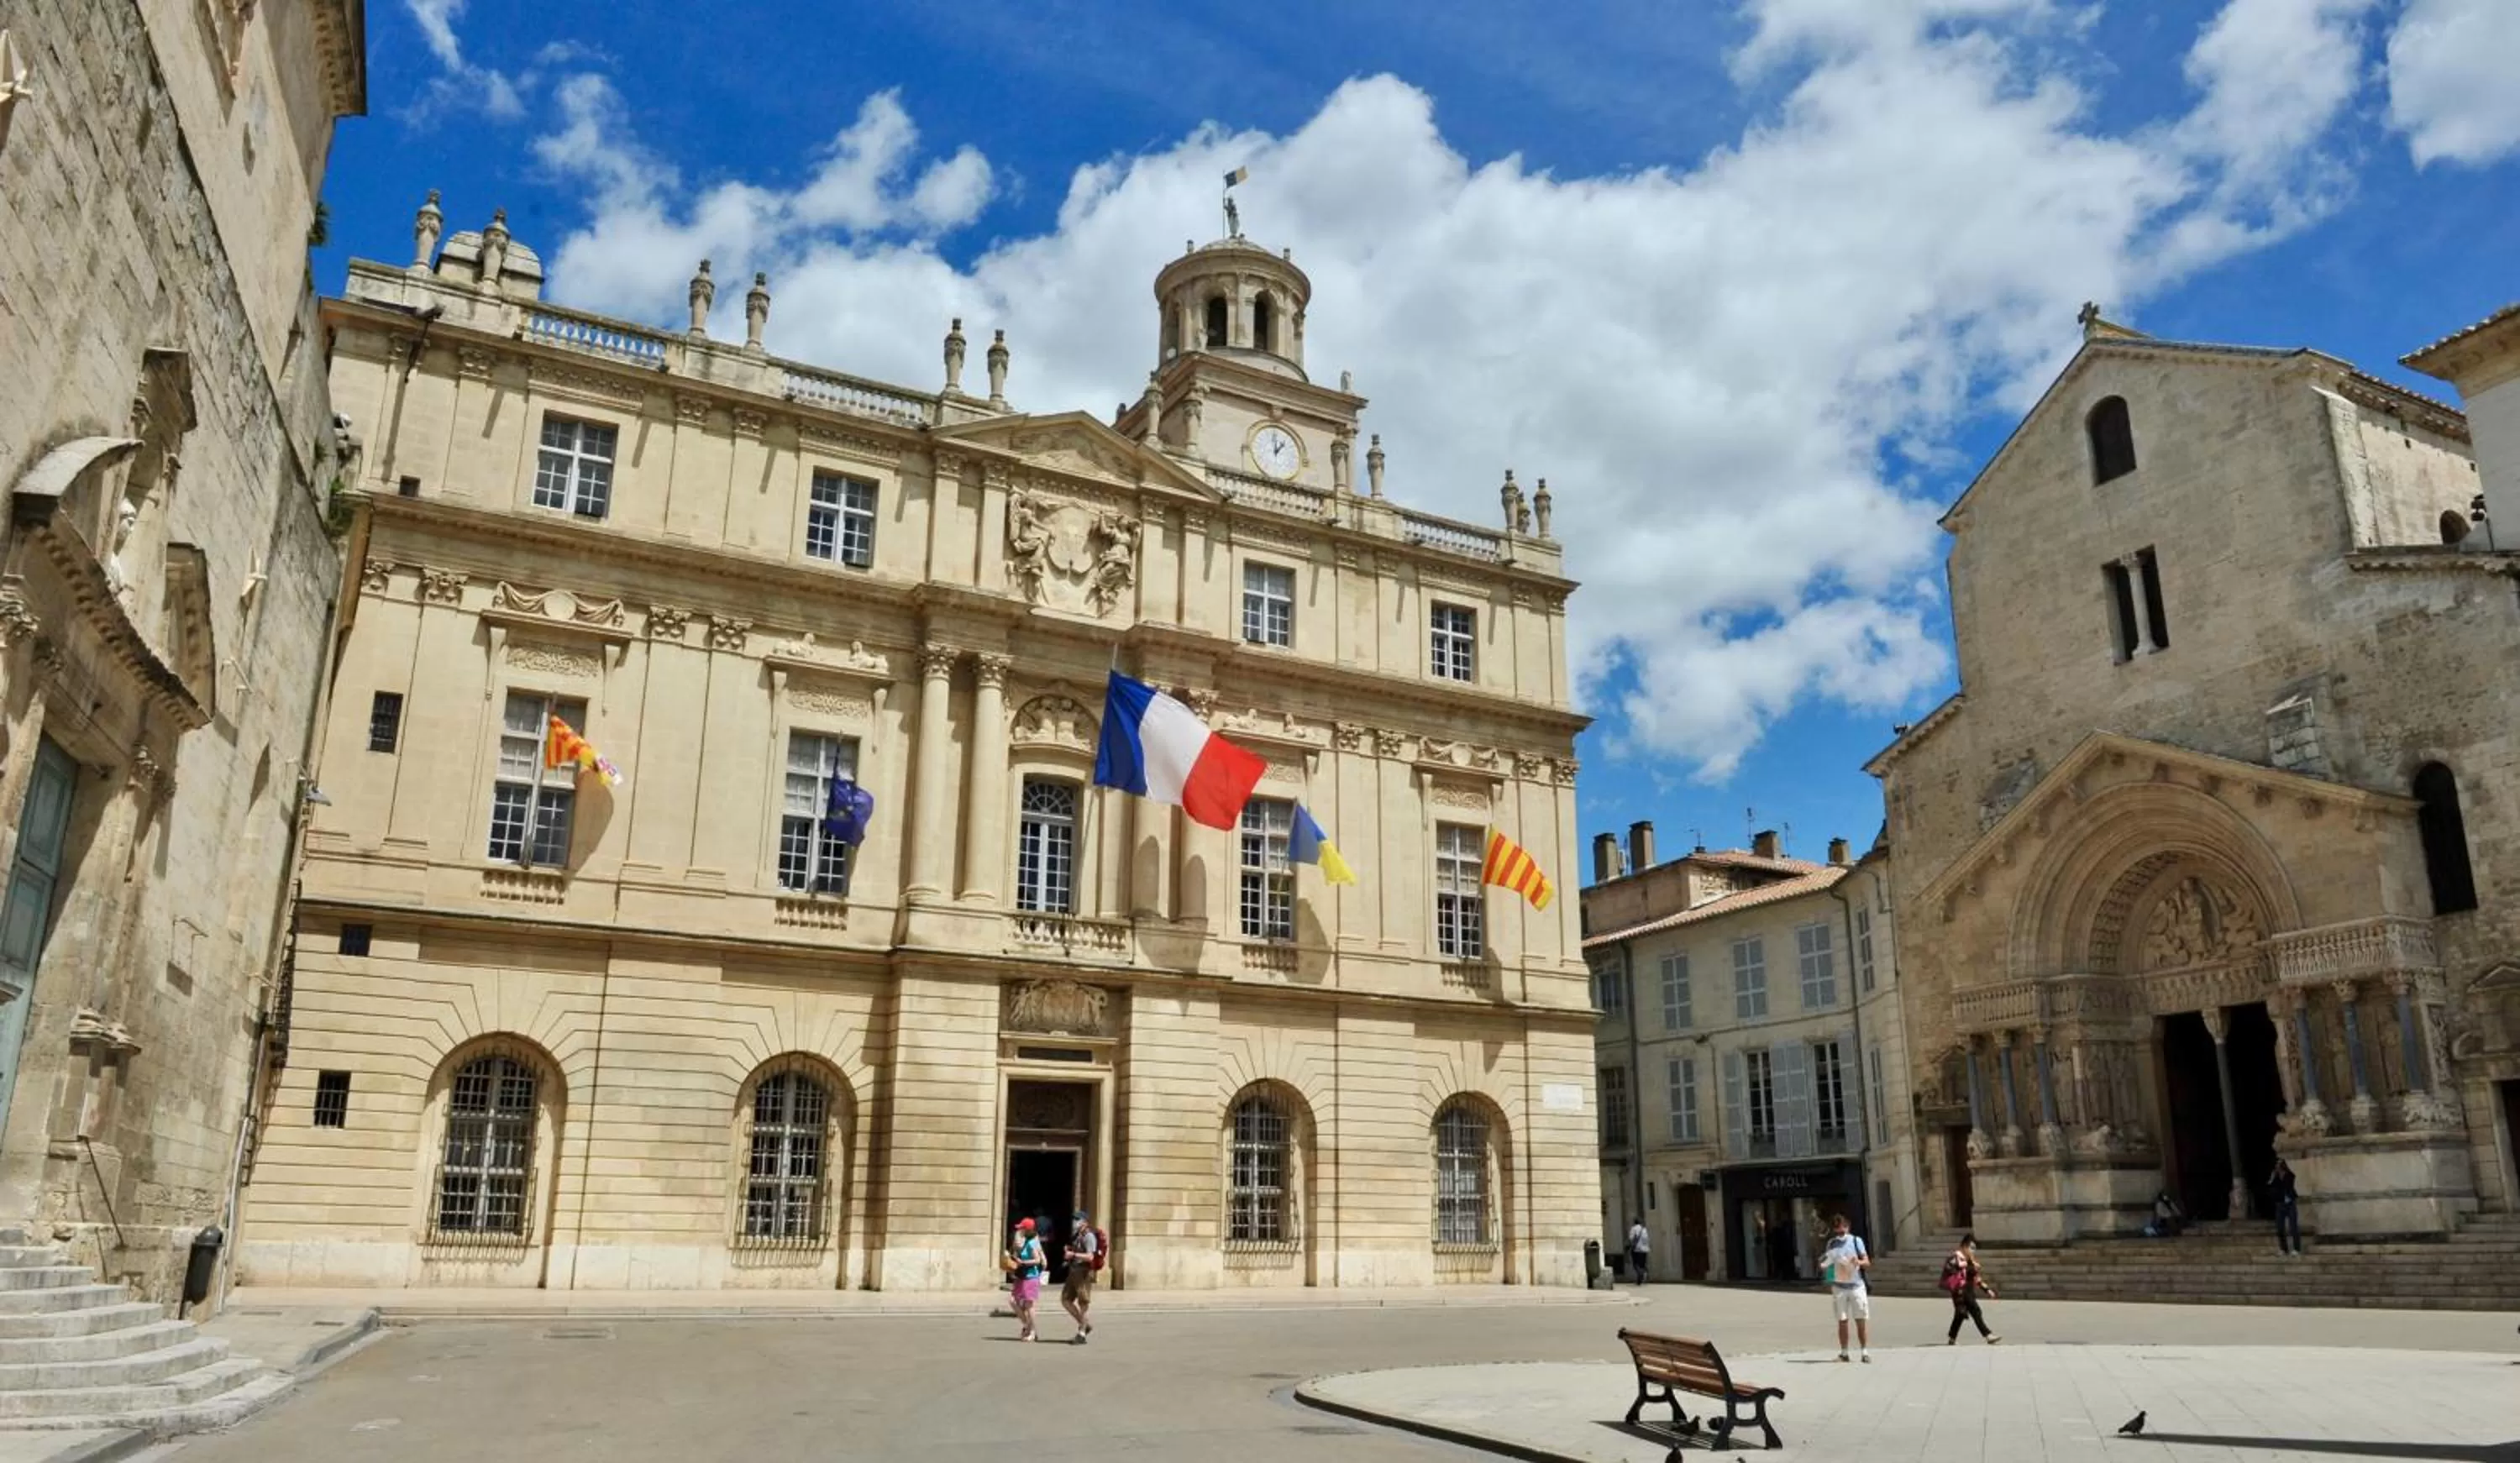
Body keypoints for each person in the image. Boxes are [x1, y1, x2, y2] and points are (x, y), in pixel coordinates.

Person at [1819, 1214, 1871, 1362]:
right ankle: (1844, 1353)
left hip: (1856, 1286)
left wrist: (1858, 1262)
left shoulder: (1856, 1241)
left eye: (1843, 1230)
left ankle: (1864, 1352)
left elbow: (1867, 1262)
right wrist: (1826, 1272)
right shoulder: (1831, 1243)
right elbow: (1828, 1262)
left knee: (1861, 1319)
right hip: (1839, 1287)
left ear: (1848, 1227)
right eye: (1837, 1230)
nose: (1841, 1233)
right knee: (1842, 1320)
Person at [1941, 1233, 2000, 1345]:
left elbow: (1976, 1278)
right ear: (1964, 1246)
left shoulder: (1971, 1260)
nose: (1973, 1251)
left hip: (1969, 1290)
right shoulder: (1956, 1258)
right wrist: (1962, 1266)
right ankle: (1988, 1335)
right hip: (1960, 1291)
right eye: (1971, 1248)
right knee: (1976, 1310)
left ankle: (1952, 1338)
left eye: (1974, 1248)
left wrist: (1987, 1290)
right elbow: (1950, 1270)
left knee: (1960, 1315)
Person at [1062, 1209, 1105, 1343]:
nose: (1074, 1222)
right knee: (1065, 1300)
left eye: (1077, 1219)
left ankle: (1082, 1334)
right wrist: (1069, 1252)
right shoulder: (1077, 1235)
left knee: (1083, 1303)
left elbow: (1090, 1256)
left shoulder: (1089, 1236)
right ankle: (1085, 1324)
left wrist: (1073, 1255)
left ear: (1085, 1222)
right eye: (1074, 1219)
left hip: (1083, 1272)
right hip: (1074, 1271)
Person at [1007, 1218, 1047, 1341]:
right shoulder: (1025, 1240)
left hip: (1031, 1276)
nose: (1020, 1230)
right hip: (1022, 1276)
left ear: (1027, 1229)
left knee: (1029, 1305)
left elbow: (1037, 1260)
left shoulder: (1032, 1243)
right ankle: (1027, 1325)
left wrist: (1023, 1262)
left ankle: (1033, 1331)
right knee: (1013, 1301)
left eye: (1022, 1228)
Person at [2269, 1158, 2302, 1256]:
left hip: (2290, 1204)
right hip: (2280, 1204)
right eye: (2277, 1165)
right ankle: (2283, 1249)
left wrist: (2282, 1177)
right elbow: (2271, 1187)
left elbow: (2289, 1185)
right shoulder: (2275, 1177)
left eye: (2280, 1164)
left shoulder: (2289, 1175)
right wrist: (2272, 1178)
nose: (2278, 1167)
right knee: (2280, 1228)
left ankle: (2296, 1249)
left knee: (2293, 1227)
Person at [1626, 1217, 1651, 1286]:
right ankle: (1640, 1279)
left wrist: (1628, 1246)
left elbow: (1631, 1239)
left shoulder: (1634, 1229)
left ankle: (1640, 1274)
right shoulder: (1644, 1229)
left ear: (1635, 1222)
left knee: (1635, 1264)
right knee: (1642, 1264)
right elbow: (1647, 1239)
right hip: (1645, 1249)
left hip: (1636, 1249)